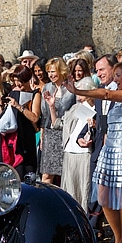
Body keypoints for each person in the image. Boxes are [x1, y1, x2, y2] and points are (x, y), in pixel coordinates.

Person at [74, 61, 122, 243]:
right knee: (103, 198)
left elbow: (106, 94)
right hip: (110, 151)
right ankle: (118, 238)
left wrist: (79, 90)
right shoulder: (118, 96)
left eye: (119, 75)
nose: (115, 79)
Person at [75, 54, 118, 242]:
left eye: (102, 69)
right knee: (96, 190)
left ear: (113, 69)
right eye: (97, 70)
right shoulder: (100, 94)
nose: (98, 73)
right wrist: (82, 137)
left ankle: (118, 237)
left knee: (112, 195)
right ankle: (93, 227)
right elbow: (97, 122)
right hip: (99, 149)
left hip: (118, 150)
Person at [59, 75, 97, 208]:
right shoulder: (76, 107)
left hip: (84, 154)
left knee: (83, 189)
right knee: (70, 189)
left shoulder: (97, 108)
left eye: (80, 91)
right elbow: (59, 123)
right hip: (70, 151)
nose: (77, 94)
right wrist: (52, 107)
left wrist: (94, 126)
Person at [1, 65, 42, 176]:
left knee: (28, 173)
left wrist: (19, 106)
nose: (18, 84)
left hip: (27, 138)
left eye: (20, 81)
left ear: (26, 79)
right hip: (14, 140)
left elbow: (35, 117)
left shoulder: (36, 94)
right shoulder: (13, 93)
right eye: (15, 81)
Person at [39, 57, 75, 185]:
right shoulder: (47, 87)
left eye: (53, 71)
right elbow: (44, 115)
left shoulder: (70, 88)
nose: (50, 74)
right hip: (50, 133)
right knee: (47, 173)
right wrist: (42, 136)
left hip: (66, 133)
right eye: (48, 72)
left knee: (66, 173)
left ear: (61, 71)